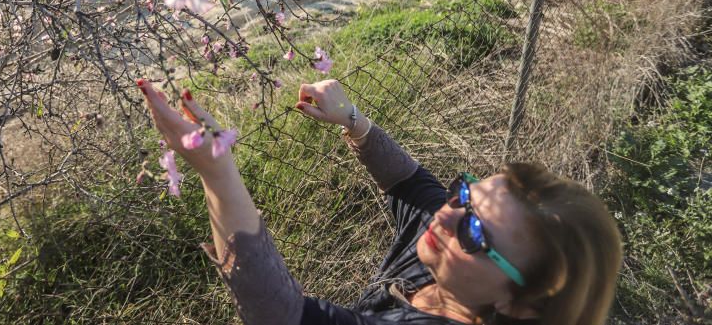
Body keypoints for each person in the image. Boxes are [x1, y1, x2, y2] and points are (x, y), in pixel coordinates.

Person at [138, 78, 623, 325]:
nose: (449, 215)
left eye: (477, 234)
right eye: (465, 194)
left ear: (521, 305)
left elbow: (286, 319)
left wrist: (218, 171)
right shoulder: (447, 253)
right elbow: (413, 185)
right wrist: (353, 121)